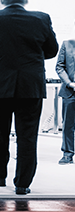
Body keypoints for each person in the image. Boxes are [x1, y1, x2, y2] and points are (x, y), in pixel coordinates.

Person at [0, 0, 58, 195]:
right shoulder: (41, 19)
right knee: (28, 135)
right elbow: (52, 51)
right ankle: (23, 183)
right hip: (30, 86)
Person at [56, 25, 75, 165]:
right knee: (68, 125)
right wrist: (69, 83)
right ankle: (67, 154)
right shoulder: (67, 44)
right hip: (70, 91)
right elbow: (59, 66)